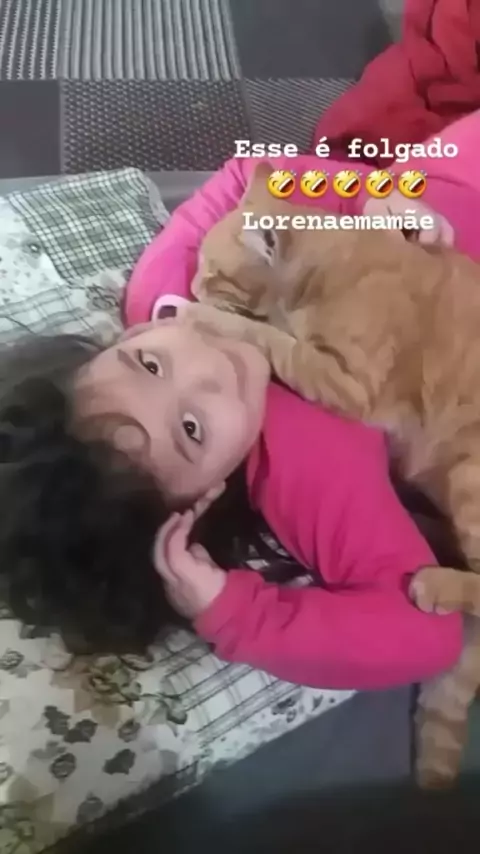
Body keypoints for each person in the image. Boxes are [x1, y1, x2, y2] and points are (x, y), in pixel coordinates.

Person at [6, 111, 480, 686]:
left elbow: (252, 176)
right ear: (205, 497)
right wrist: (237, 616)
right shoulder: (305, 471)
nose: (206, 369)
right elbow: (426, 633)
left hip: (451, 184)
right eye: (192, 429)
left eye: (151, 363)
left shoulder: (163, 295)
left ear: (128, 338)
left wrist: (372, 196)